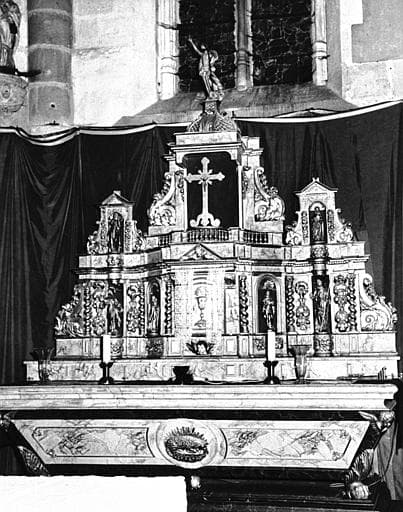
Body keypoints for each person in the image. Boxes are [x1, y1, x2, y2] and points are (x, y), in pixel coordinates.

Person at [0, 0, 21, 70]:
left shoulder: (10, 4)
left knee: (7, 46)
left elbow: (16, 15)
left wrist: (9, 15)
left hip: (8, 30)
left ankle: (6, 63)